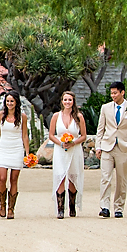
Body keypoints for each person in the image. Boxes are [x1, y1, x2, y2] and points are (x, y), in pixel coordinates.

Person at [96, 81, 127, 218]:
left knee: (121, 179)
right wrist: (98, 146)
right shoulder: (105, 108)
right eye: (111, 93)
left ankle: (119, 208)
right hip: (107, 146)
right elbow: (101, 129)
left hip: (123, 148)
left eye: (115, 93)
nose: (113, 96)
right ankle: (104, 207)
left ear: (122, 92)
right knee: (105, 177)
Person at [0, 92, 29, 219]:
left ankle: (11, 208)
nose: (10, 103)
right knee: (2, 178)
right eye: (8, 101)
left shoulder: (22, 117)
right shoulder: (1, 115)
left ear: (16, 102)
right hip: (4, 148)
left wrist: (27, 153)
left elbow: (24, 135)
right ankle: (2, 204)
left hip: (16, 148)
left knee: (14, 179)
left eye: (12, 101)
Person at [49, 91, 86, 219]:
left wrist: (73, 142)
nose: (67, 102)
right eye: (65, 100)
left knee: (72, 177)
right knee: (60, 176)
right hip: (60, 150)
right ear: (62, 101)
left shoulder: (79, 117)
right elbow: (51, 135)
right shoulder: (56, 116)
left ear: (73, 101)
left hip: (74, 150)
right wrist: (61, 143)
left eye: (70, 100)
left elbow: (83, 136)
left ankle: (72, 206)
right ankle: (60, 208)